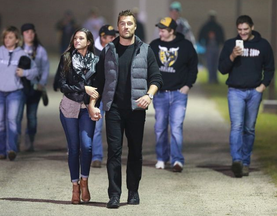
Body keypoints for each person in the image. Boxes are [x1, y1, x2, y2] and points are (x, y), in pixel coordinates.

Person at [93, 10, 163, 208]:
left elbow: (156, 78)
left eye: (129, 24)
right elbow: (99, 79)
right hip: (113, 109)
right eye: (122, 23)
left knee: (135, 152)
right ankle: (114, 194)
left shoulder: (145, 50)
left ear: (134, 27)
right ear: (118, 26)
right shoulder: (109, 50)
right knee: (114, 152)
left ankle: (133, 191)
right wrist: (93, 104)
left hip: (136, 110)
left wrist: (149, 96)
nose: (126, 27)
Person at [218, 15, 275, 178]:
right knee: (236, 125)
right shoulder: (230, 45)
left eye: (246, 29)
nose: (242, 33)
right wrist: (232, 56)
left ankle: (245, 162)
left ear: (252, 27)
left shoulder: (263, 45)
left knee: (249, 129)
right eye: (240, 30)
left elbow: (270, 68)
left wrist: (262, 86)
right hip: (235, 91)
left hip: (254, 92)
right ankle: (237, 161)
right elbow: (222, 69)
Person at [57, 27, 100, 204]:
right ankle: (75, 186)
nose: (77, 41)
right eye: (75, 38)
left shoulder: (97, 61)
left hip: (87, 108)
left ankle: (85, 181)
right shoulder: (66, 58)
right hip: (69, 106)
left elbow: (99, 87)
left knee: (87, 146)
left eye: (81, 38)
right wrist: (83, 88)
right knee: (74, 148)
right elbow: (62, 84)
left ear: (89, 42)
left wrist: (92, 105)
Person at [150, 17, 198, 172]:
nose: (160, 32)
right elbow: (147, 66)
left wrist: (187, 86)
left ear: (172, 31)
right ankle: (161, 158)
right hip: (160, 94)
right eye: (160, 29)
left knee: (176, 127)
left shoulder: (185, 46)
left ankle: (177, 160)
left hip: (179, 94)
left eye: (163, 30)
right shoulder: (154, 45)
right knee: (160, 128)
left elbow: (193, 68)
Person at [0, 26, 38, 161]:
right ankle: (0, 151)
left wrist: (25, 73)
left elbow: (35, 71)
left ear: (17, 40)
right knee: (0, 122)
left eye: (10, 37)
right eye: (5, 37)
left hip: (15, 93)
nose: (7, 40)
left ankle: (11, 149)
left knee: (12, 121)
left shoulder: (23, 54)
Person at [17, 23, 50, 152]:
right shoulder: (17, 50)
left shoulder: (40, 50)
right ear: (22, 34)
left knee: (31, 117)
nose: (29, 34)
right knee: (17, 116)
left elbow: (45, 68)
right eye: (26, 32)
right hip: (19, 87)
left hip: (34, 87)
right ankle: (15, 140)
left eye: (31, 32)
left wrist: (42, 83)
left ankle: (29, 141)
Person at [91, 24, 117, 168]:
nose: (114, 39)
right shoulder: (92, 51)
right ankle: (96, 156)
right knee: (96, 127)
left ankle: (113, 158)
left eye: (114, 37)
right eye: (111, 37)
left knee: (114, 129)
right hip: (98, 95)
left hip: (113, 94)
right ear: (102, 37)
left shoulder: (116, 50)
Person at [198, 10, 225, 84]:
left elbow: (221, 37)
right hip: (210, 46)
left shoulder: (210, 26)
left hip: (214, 46)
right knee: (211, 63)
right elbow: (201, 35)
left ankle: (213, 78)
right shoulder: (215, 26)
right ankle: (212, 78)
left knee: (213, 63)